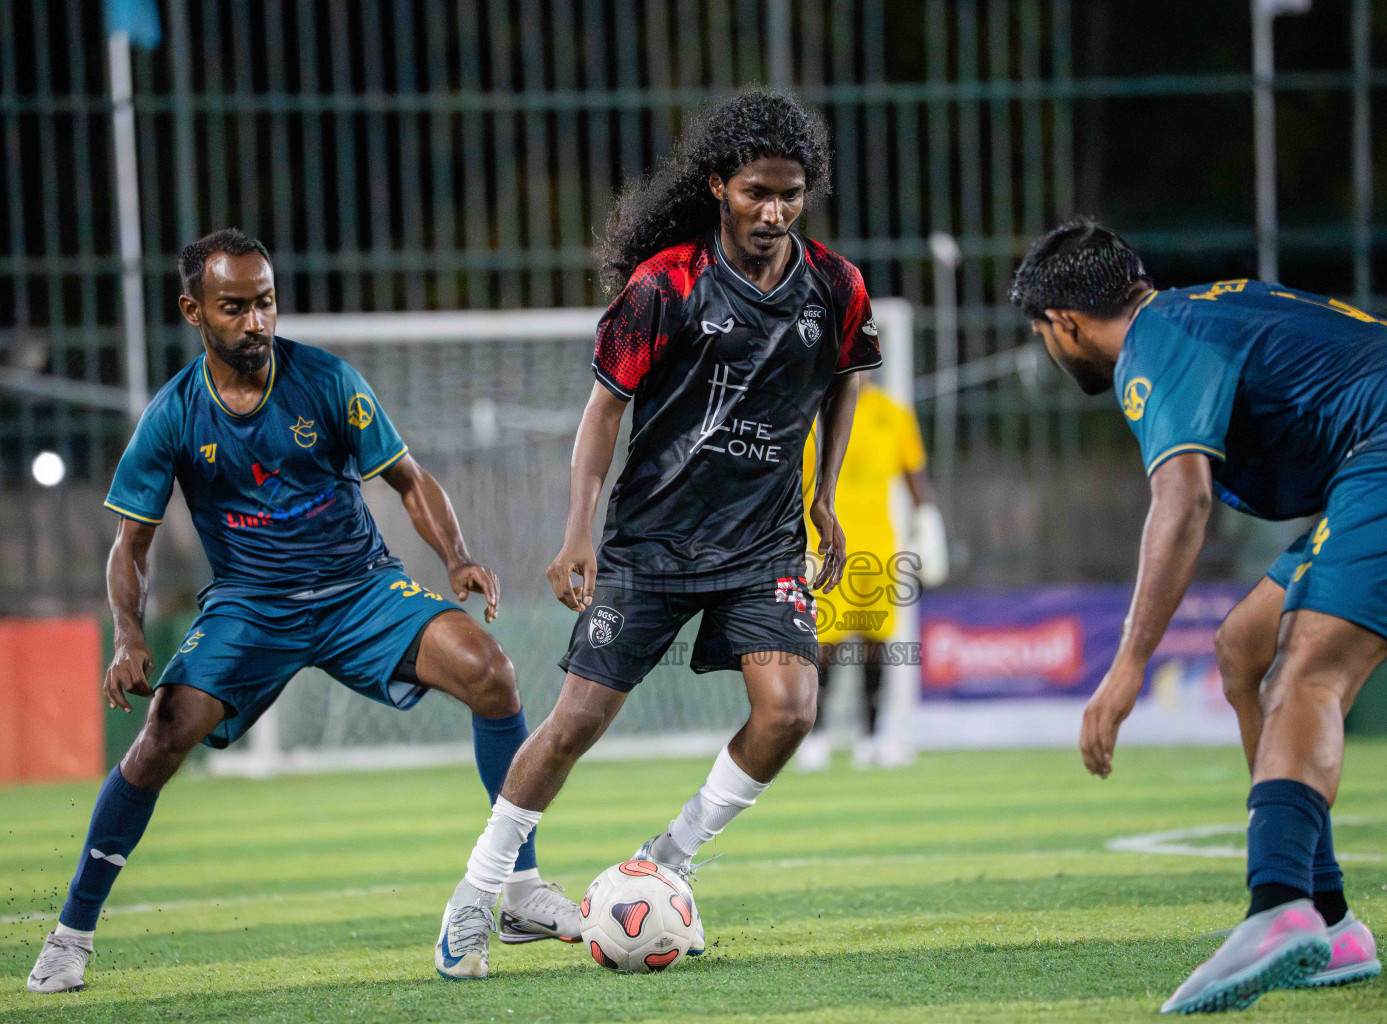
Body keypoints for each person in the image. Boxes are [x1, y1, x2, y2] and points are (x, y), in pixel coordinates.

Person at [26, 229, 575, 996]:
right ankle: (70, 934)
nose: (257, 322)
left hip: (358, 589)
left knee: (494, 674)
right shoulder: (174, 415)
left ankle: (518, 890)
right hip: (253, 608)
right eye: (235, 307)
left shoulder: (326, 379)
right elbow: (130, 545)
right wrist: (126, 634)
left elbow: (409, 479)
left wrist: (455, 556)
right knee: (160, 738)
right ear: (194, 310)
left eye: (267, 303)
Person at [1008, 220, 1387, 1014]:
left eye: (1045, 336)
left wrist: (1124, 671)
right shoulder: (1195, 314)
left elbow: (1181, 503)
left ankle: (1278, 903)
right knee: (1243, 647)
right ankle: (1331, 921)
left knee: (1305, 668)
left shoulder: (1156, 345)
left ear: (1065, 325)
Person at [433, 90, 879, 979]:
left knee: (791, 711)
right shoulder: (665, 285)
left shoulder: (836, 285)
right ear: (719, 184)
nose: (774, 210)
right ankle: (476, 901)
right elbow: (606, 411)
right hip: (650, 547)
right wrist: (578, 532)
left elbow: (844, 382)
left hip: (762, 548)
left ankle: (668, 859)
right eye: (757, 191)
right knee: (573, 726)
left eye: (791, 194)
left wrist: (824, 496)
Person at [795, 373, 947, 771]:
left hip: (879, 551)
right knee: (824, 642)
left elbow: (916, 477)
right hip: (825, 548)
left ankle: (873, 734)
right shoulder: (814, 413)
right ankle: (818, 734)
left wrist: (929, 523)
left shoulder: (893, 413)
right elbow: (794, 480)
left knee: (875, 643)